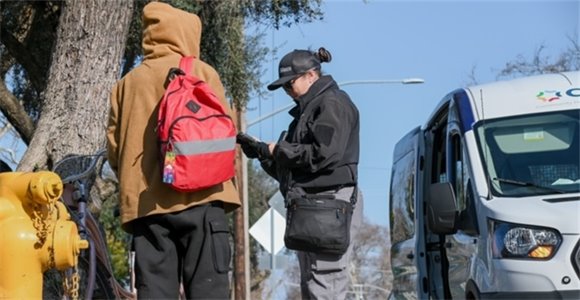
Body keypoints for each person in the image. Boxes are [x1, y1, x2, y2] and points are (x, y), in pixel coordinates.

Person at [106, 2, 240, 299]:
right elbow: (226, 133)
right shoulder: (204, 73)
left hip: (149, 206)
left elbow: (114, 148)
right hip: (204, 199)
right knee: (209, 291)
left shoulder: (127, 85)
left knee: (154, 291)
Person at [238, 47, 363, 299]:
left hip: (329, 203)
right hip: (313, 205)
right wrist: (264, 153)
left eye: (290, 84)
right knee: (313, 286)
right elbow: (299, 169)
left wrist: (278, 150)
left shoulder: (332, 103)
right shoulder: (309, 110)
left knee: (324, 286)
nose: (287, 91)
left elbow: (324, 154)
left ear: (311, 75)